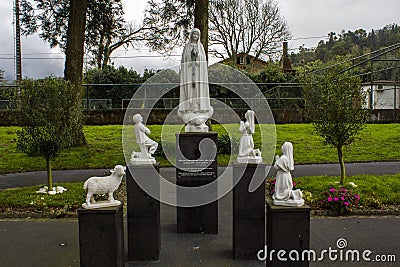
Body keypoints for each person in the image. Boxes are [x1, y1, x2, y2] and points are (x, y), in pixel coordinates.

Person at [178, 28, 212, 116]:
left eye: (197, 34)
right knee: (190, 88)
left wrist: (197, 56)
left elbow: (203, 60)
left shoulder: (200, 47)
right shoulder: (187, 46)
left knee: (198, 88)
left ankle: (198, 107)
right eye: (194, 34)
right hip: (189, 72)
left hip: (198, 72)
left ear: (199, 36)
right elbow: (184, 59)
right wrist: (190, 57)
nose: (195, 36)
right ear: (191, 35)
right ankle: (189, 107)